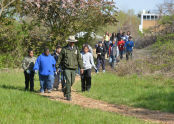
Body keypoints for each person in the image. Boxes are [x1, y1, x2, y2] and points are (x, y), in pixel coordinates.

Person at [56, 36, 83, 101]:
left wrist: (81, 67)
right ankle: (68, 95)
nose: (72, 43)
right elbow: (59, 58)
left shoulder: (76, 49)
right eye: (71, 42)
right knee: (68, 81)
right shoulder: (64, 49)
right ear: (69, 42)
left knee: (72, 81)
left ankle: (65, 89)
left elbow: (79, 59)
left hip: (74, 68)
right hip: (66, 68)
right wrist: (57, 66)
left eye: (73, 42)